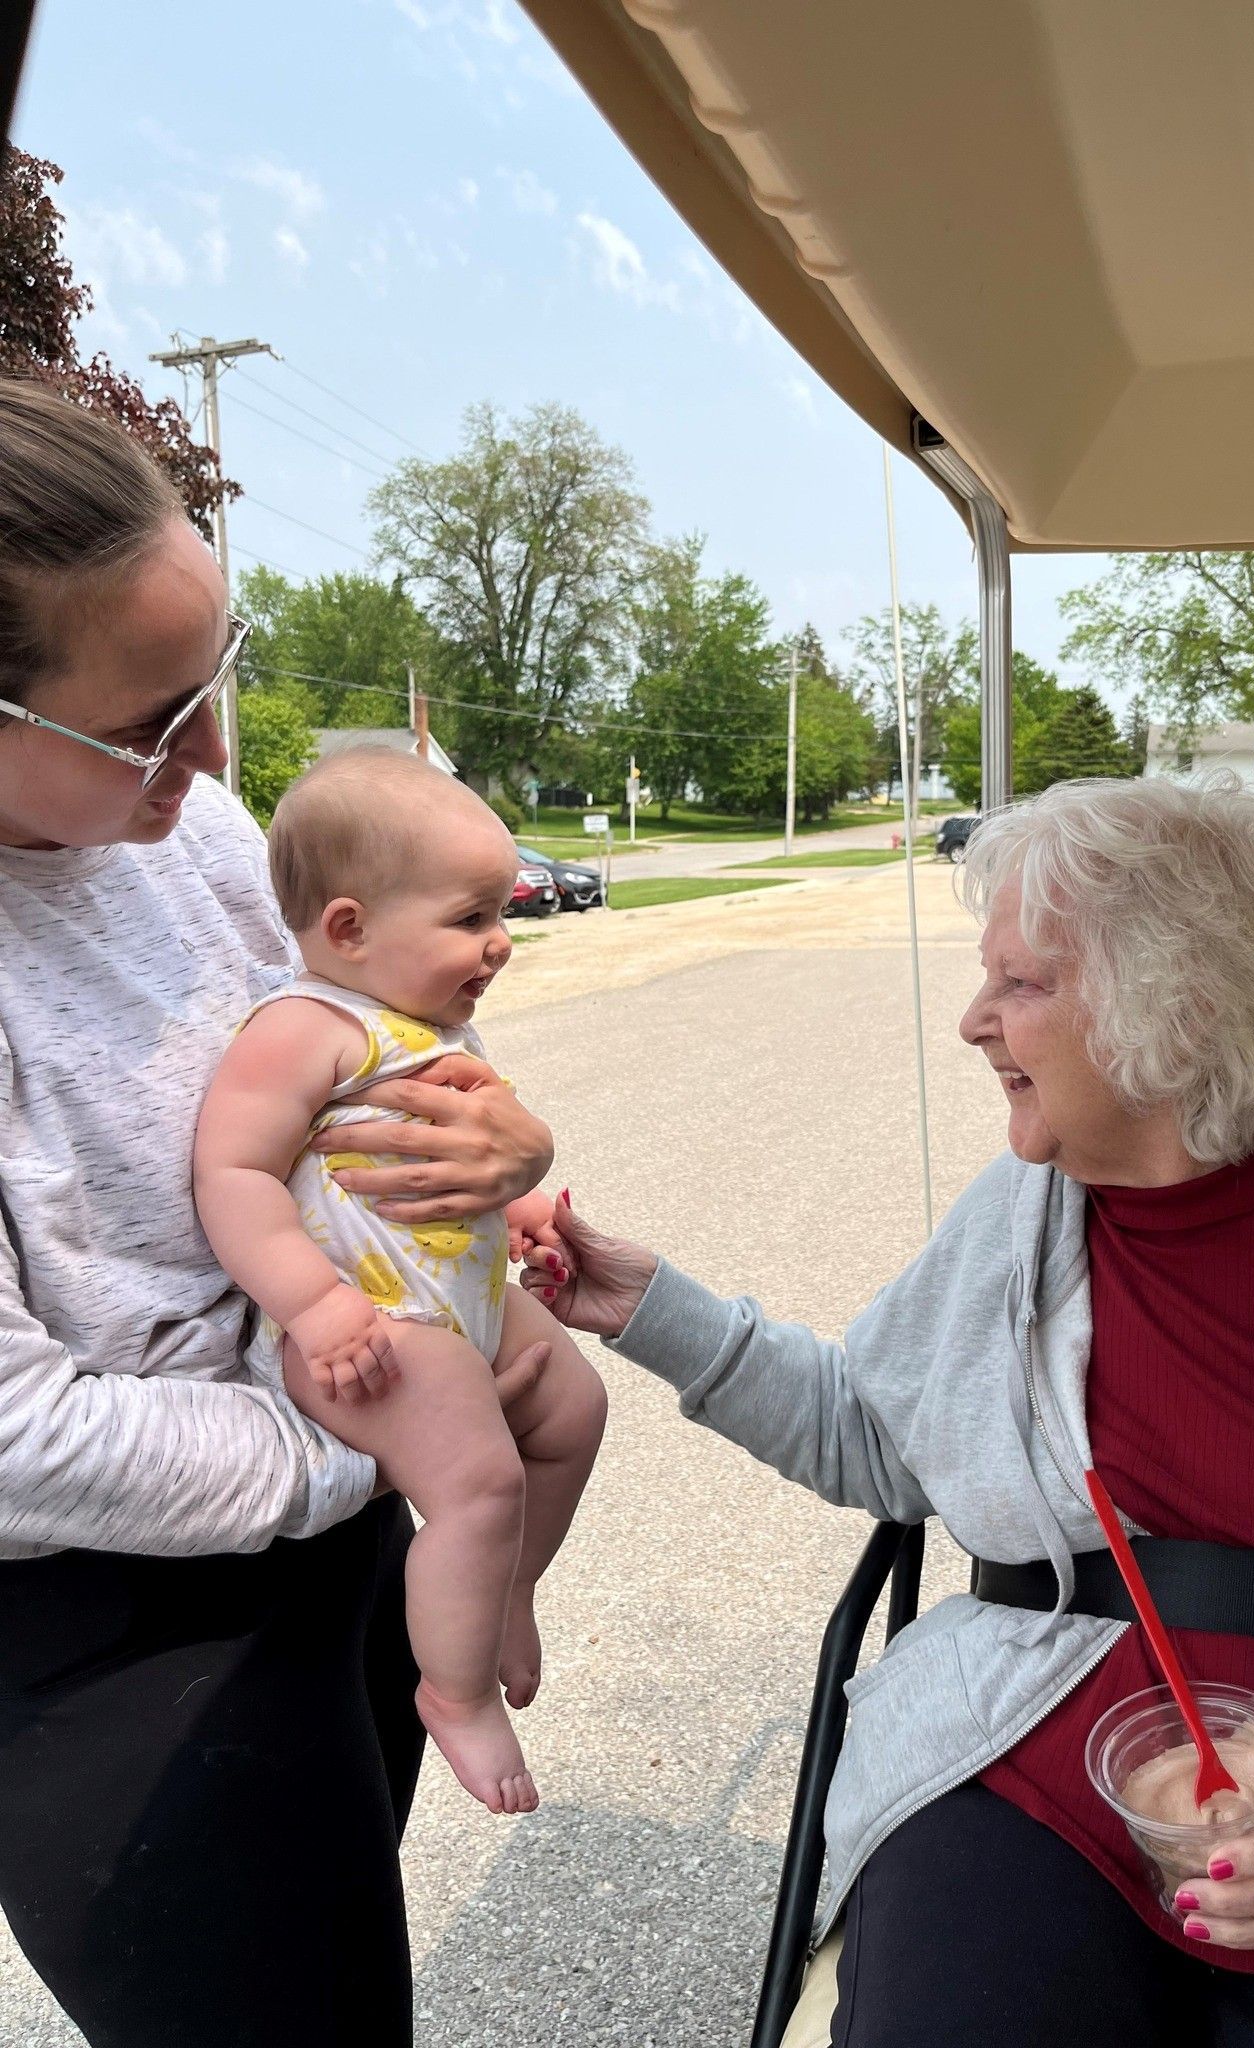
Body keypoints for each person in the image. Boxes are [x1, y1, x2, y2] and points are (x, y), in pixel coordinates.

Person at [525, 776, 1254, 2046]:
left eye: (1021, 982)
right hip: (1024, 1776)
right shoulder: (1020, 1211)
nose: (972, 1021)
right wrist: (644, 1305)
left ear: (1176, 1002)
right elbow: (879, 1437)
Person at [0, 378, 555, 2048]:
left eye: (215, 682)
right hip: (127, 1642)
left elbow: (357, 1037)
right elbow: (15, 1437)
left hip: (339, 1524)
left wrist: (492, 1145)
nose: (217, 756)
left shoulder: (183, 830)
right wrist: (380, 1441)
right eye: (149, 720)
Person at [194, 749, 606, 1816]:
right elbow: (232, 1176)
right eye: (472, 917)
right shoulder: (302, 1031)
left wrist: (519, 1205)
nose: (500, 939)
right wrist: (314, 1304)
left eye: (500, 911)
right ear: (349, 928)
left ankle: (507, 1588)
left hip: (452, 1293)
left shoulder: (430, 1027)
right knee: (479, 1484)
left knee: (574, 1409)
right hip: (365, 1319)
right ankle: (454, 1691)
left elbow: (457, 1153)